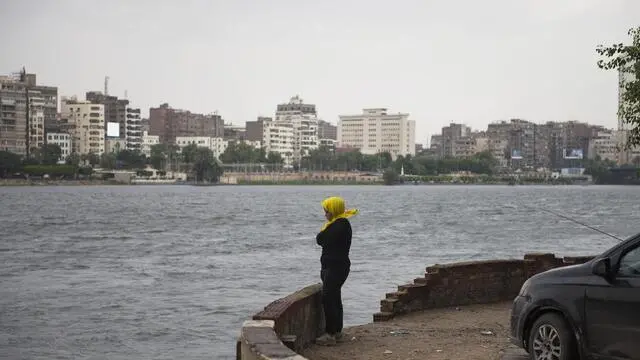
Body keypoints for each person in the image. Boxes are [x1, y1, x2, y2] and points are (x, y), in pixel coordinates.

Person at [314, 196, 358, 346]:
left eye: (326, 211)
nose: (325, 214)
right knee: (334, 297)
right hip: (332, 266)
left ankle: (331, 333)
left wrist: (325, 230)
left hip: (336, 267)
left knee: (328, 298)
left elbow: (320, 239)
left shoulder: (340, 225)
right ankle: (337, 331)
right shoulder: (337, 224)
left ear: (333, 210)